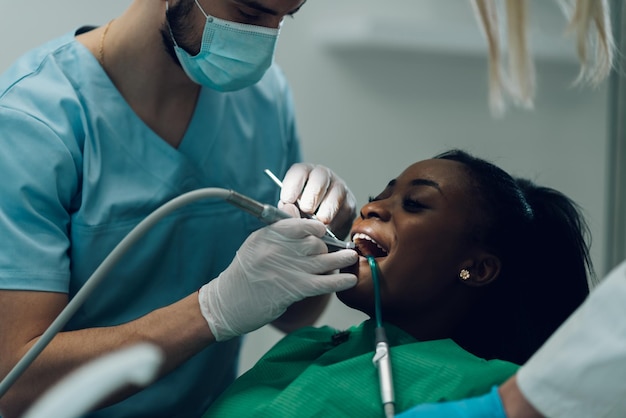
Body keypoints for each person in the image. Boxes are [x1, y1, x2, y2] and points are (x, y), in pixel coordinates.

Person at [0, 1, 360, 417]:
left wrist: (329, 232)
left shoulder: (264, 98)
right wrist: (213, 309)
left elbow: (295, 317)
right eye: (249, 12)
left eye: (284, 17)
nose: (265, 39)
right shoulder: (32, 123)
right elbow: (15, 382)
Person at [202, 149, 594, 417]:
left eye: (415, 203)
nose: (370, 208)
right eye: (380, 195)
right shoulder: (306, 347)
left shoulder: (491, 390)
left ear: (476, 268)